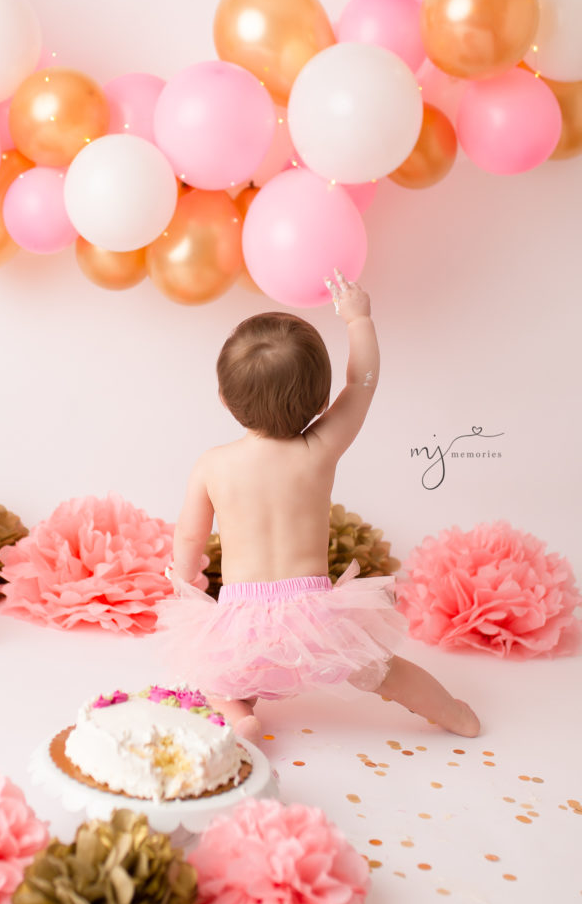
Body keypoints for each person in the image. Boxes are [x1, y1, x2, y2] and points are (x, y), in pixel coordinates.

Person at [157, 270, 480, 741]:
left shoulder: (213, 465)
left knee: (217, 678)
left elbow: (189, 536)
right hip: (317, 621)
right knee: (384, 672)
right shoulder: (319, 450)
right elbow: (363, 383)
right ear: (320, 399)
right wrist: (358, 320)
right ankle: (454, 714)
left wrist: (187, 578)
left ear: (224, 398)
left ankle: (241, 717)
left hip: (240, 622)